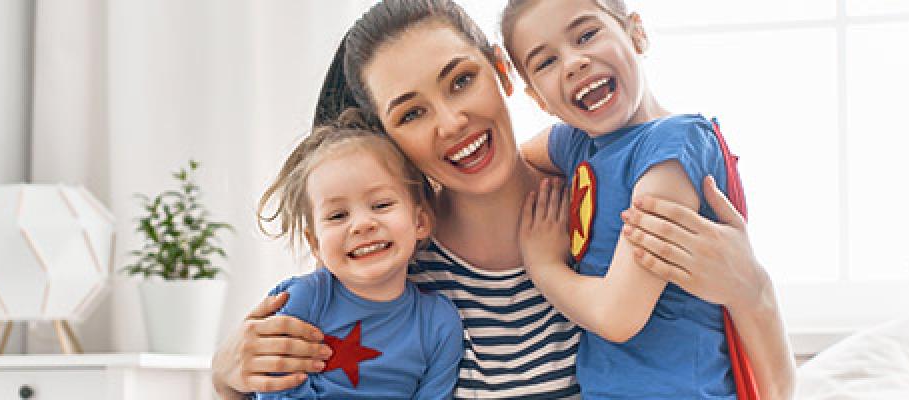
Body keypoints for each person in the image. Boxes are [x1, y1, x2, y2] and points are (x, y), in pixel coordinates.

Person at [213, 1, 796, 399]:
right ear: (387, 138)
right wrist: (225, 378)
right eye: (411, 113)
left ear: (502, 70)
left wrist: (756, 294)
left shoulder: (610, 201)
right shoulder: (387, 262)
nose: (452, 122)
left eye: (461, 80)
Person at [503, 0, 752, 397]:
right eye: (546, 62)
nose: (573, 63)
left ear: (636, 33)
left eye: (586, 35)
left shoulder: (675, 144)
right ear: (539, 100)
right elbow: (511, 162)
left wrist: (543, 266)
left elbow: (618, 315)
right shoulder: (579, 144)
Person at [250, 114, 462, 399]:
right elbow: (273, 386)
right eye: (338, 215)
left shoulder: (439, 322)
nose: (362, 224)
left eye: (381, 204)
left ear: (420, 222)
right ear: (315, 244)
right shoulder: (304, 300)